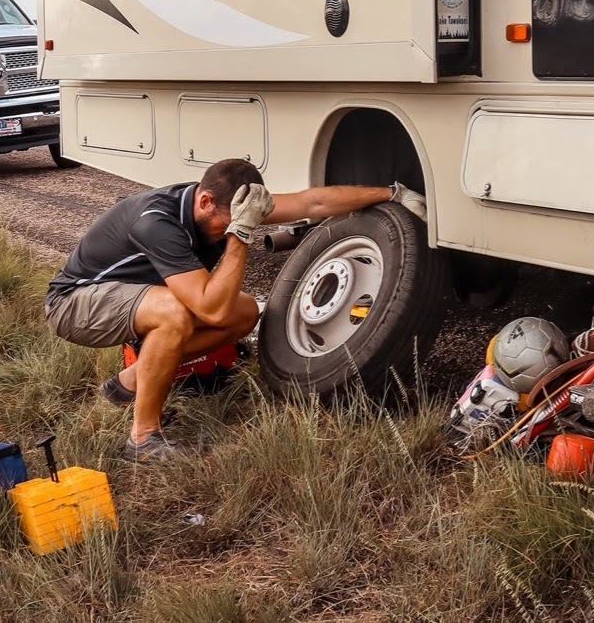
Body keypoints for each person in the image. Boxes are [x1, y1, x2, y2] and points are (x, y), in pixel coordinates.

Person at [45, 157, 427, 461]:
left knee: (244, 313)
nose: (229, 228)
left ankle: (128, 383)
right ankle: (143, 439)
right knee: (173, 315)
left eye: (243, 219)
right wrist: (240, 235)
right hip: (75, 304)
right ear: (205, 201)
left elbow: (312, 202)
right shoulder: (156, 221)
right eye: (227, 220)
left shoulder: (222, 207)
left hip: (130, 296)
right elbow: (209, 308)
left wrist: (390, 193)